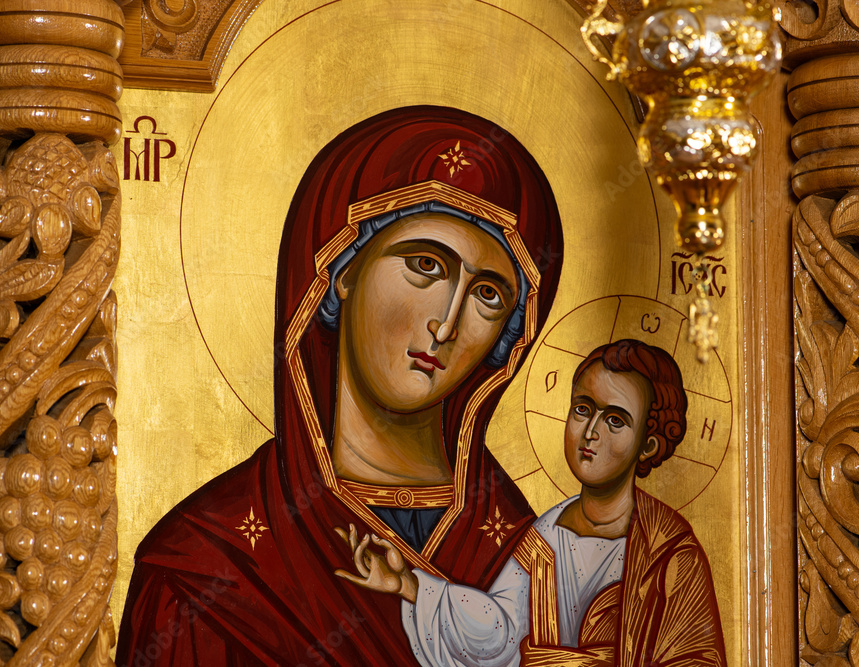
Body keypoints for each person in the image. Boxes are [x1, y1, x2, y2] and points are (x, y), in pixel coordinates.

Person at [116, 106, 564, 665]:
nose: (447, 325)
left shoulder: (530, 557)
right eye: (425, 265)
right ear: (342, 269)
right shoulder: (207, 567)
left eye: (488, 295)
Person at [336, 339, 726, 666]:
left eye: (615, 421)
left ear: (649, 445)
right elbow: (500, 632)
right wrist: (410, 585)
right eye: (583, 409)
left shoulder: (670, 554)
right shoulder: (545, 537)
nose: (590, 433)